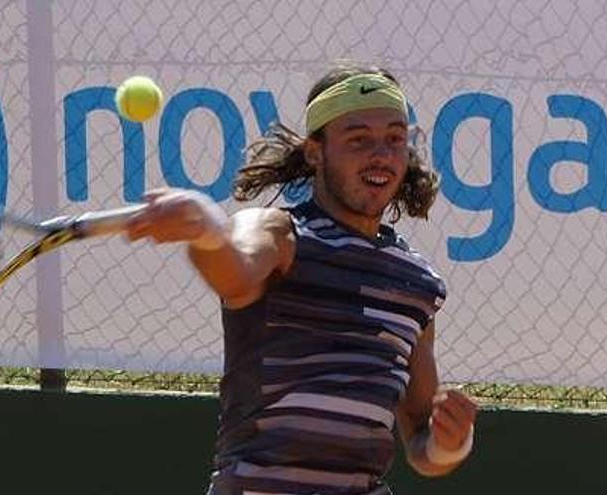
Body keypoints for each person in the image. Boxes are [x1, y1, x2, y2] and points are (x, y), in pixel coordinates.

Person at [126, 61, 477, 495]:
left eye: (394, 139)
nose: (381, 155)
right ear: (315, 151)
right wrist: (205, 230)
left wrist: (451, 444)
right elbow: (234, 274)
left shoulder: (417, 283)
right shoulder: (279, 233)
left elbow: (421, 438)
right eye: (358, 140)